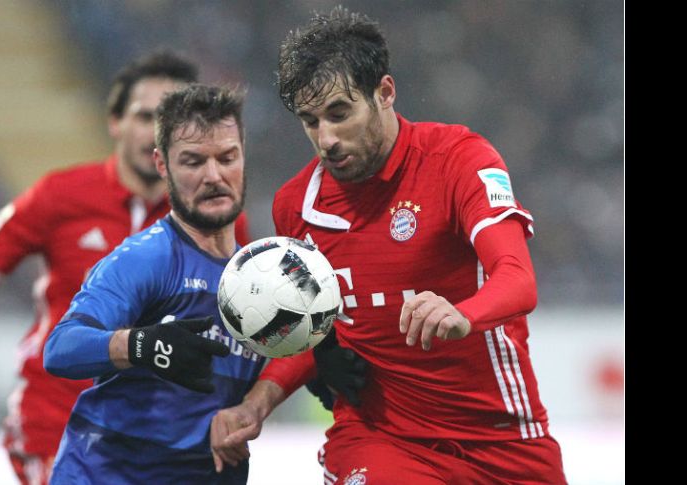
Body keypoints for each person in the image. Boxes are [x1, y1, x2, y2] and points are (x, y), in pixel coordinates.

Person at [210, 6, 567, 484]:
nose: (327, 139)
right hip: (383, 440)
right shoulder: (297, 207)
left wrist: (466, 314)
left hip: (503, 439)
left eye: (339, 113)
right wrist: (257, 403)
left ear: (384, 93)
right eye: (310, 121)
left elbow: (518, 280)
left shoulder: (459, 161)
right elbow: (304, 330)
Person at [0, 50, 250, 485]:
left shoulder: (219, 218)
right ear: (115, 122)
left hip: (158, 440)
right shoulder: (59, 195)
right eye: (146, 115)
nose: (153, 130)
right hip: (55, 421)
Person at [43, 84, 265, 484]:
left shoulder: (264, 278)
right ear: (162, 165)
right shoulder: (146, 258)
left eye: (227, 158)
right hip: (107, 474)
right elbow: (61, 348)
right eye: (193, 161)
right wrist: (145, 345)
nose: (214, 176)